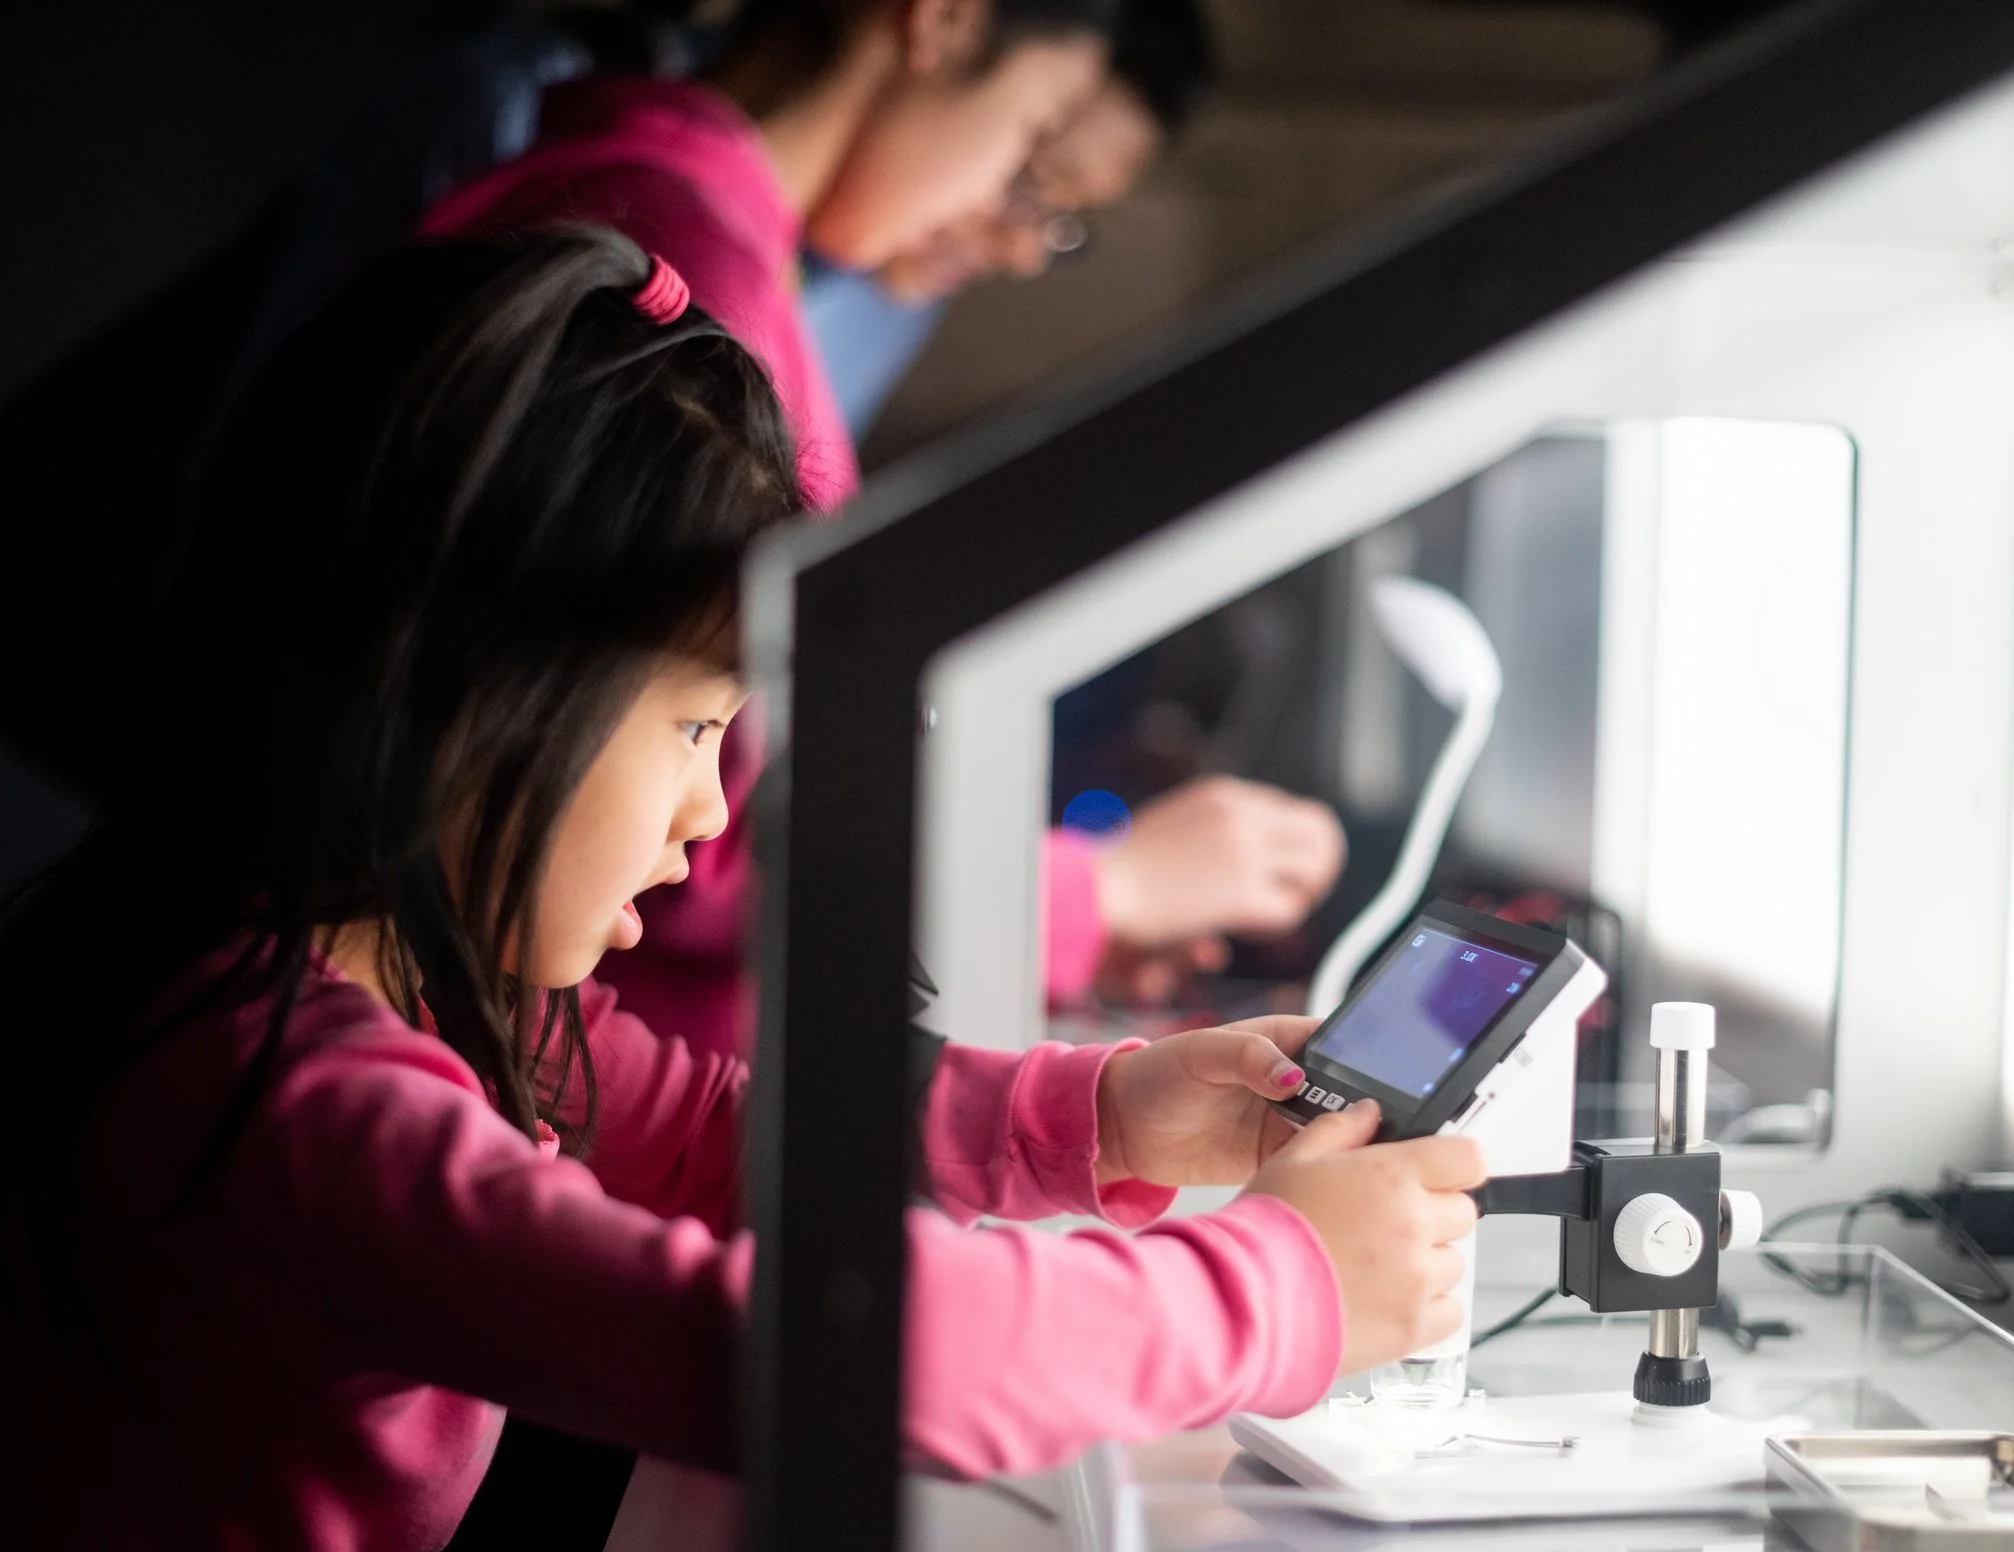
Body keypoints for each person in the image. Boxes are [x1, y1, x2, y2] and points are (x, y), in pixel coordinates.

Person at [0, 230, 1483, 1552]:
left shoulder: (372, 983)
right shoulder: (285, 1097)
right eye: (693, 726)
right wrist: (1287, 1284)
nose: (712, 812)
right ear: (472, 693)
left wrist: (1109, 1114)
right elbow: (797, 1348)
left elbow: (705, 1124)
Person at [423, 0, 1343, 1055]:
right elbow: (661, 807)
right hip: (606, 1074)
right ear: (942, 20)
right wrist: (1097, 889)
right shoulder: (683, 268)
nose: (1014, 225)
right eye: (1034, 138)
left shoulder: (696, 235)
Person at [805, 0, 1213, 436]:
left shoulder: (883, 318)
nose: (1023, 253)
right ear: (940, 27)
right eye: (1026, 181)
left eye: (1064, 221)